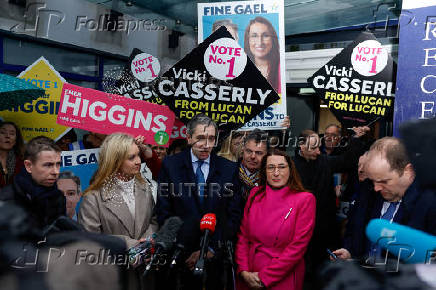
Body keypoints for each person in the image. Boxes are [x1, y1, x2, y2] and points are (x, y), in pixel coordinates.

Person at [156, 114, 242, 290]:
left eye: (211, 138)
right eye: (200, 138)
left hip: (216, 260)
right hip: (180, 259)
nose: (206, 145)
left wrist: (209, 250)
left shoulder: (229, 169)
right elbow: (164, 213)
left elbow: (233, 215)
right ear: (188, 138)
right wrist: (184, 250)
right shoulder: (171, 165)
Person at [332, 137, 436, 263]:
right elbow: (354, 229)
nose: (376, 188)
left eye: (384, 181)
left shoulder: (429, 205)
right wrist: (350, 253)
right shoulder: (368, 190)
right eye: (374, 180)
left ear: (408, 172)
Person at [292, 126, 369, 288]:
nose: (318, 152)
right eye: (313, 148)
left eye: (318, 147)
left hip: (324, 229)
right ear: (301, 146)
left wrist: (355, 139)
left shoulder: (324, 161)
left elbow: (348, 160)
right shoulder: (290, 166)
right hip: (297, 229)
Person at [79, 133, 158, 290]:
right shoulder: (93, 197)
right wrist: (130, 244)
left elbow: (153, 220)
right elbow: (89, 242)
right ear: (114, 161)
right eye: (131, 157)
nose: (138, 161)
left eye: (138, 155)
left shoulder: (145, 188)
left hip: (145, 277)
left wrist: (147, 241)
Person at [235, 149, 316, 290]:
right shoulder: (255, 194)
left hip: (282, 277)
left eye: (282, 167)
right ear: (264, 171)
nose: (276, 173)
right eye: (271, 167)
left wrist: (265, 277)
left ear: (290, 170)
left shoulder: (305, 199)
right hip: (248, 276)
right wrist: (243, 271)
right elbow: (243, 237)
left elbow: (297, 247)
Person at [0, 136, 65, 230]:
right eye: (48, 165)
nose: (56, 172)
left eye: (58, 164)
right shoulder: (6, 200)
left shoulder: (58, 197)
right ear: (29, 166)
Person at [244, 16, 280, 93]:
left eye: (265, 35)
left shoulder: (280, 69)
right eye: (254, 36)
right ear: (248, 40)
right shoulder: (239, 70)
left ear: (273, 40)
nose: (260, 42)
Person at [238, 129, 269, 202]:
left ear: (266, 155)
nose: (252, 156)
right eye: (249, 151)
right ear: (243, 150)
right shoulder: (229, 172)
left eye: (258, 153)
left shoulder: (271, 177)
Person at [0, 121, 24, 188]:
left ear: (16, 140)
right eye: (2, 132)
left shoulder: (21, 163)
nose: (7, 136)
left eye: (12, 133)